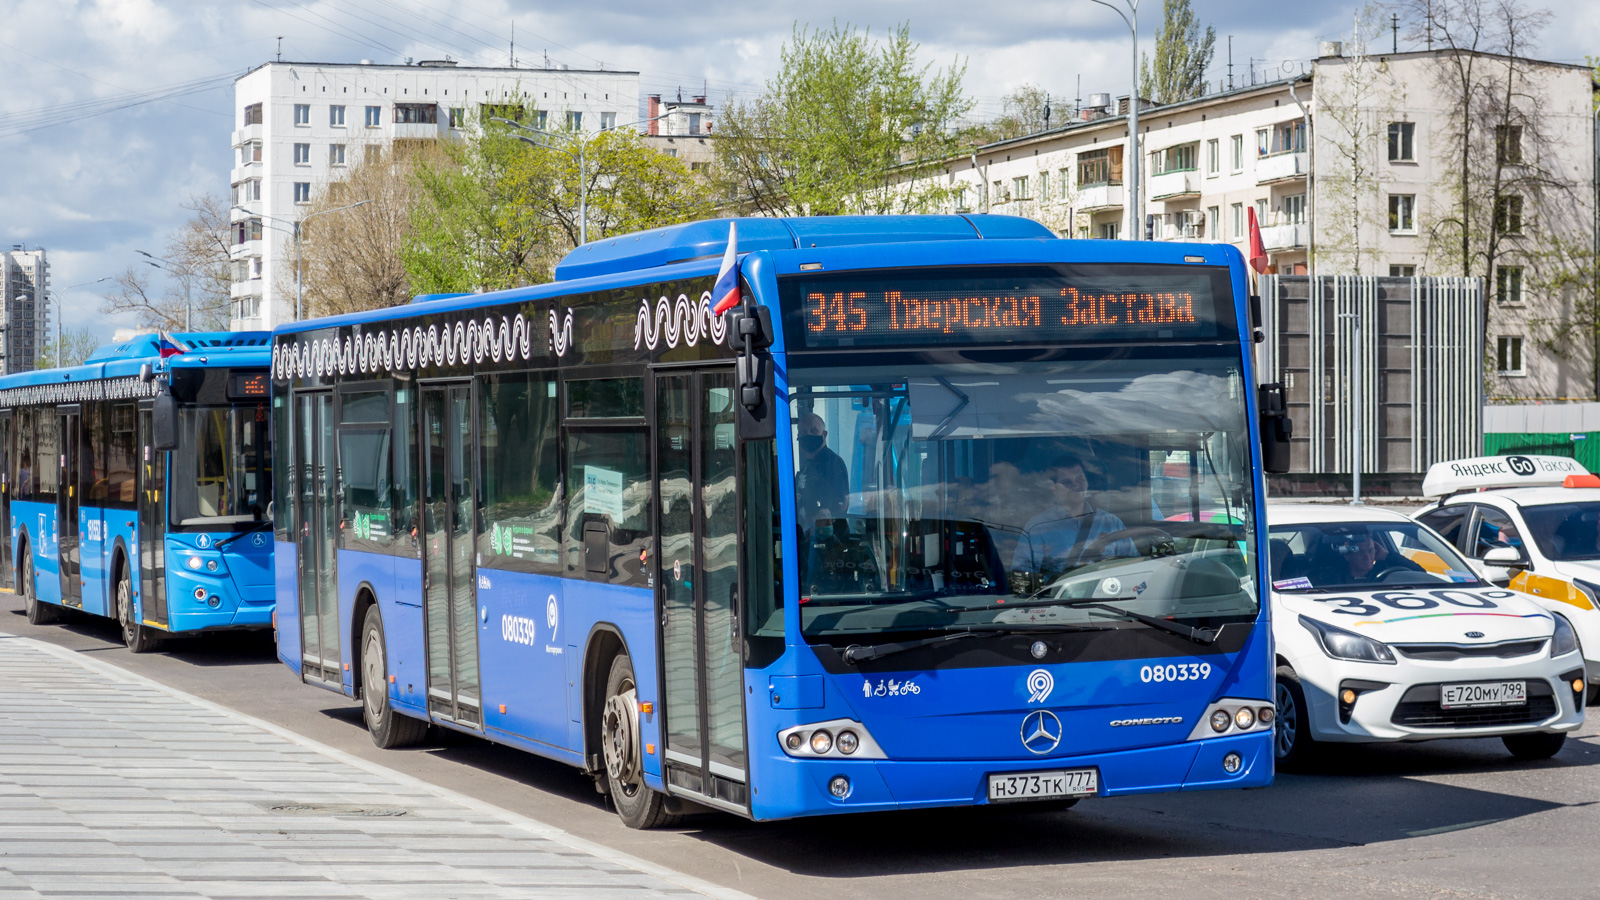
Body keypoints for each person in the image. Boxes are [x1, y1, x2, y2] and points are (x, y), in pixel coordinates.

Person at [1012, 455, 1138, 583]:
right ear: (1054, 488)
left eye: (1080, 479)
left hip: (1105, 596)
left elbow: (1134, 568)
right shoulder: (1037, 527)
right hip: (1055, 599)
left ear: (1087, 482)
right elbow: (1022, 576)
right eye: (1067, 482)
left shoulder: (1111, 523)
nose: (1076, 485)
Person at [794, 413, 849, 536]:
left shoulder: (833, 463)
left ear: (824, 434)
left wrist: (817, 516)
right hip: (808, 533)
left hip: (828, 536)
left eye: (814, 431)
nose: (808, 435)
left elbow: (841, 503)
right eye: (803, 432)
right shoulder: (806, 465)